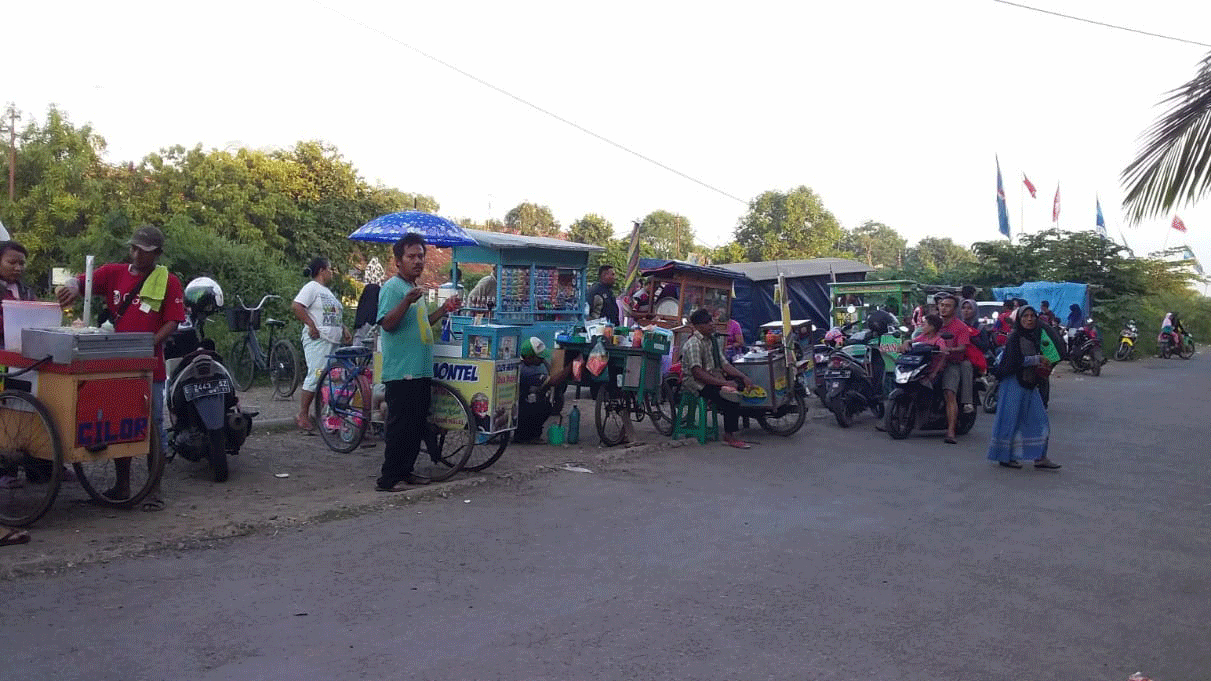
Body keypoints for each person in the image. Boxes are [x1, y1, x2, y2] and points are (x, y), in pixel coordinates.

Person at [56, 226, 186, 511]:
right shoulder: (113, 273)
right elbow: (84, 282)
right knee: (119, 426)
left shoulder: (169, 281)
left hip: (149, 366)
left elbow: (173, 320)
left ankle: (154, 491)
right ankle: (122, 485)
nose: (138, 255)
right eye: (134, 249)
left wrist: (151, 342)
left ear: (157, 254)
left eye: (145, 251)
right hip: (115, 364)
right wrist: (70, 288)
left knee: (153, 427)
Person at [375, 234, 460, 491]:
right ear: (398, 260)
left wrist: (444, 309)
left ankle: (406, 471)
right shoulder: (393, 288)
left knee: (415, 425)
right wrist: (405, 301)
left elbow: (421, 324)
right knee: (400, 426)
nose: (417, 261)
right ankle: (388, 479)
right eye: (411, 256)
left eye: (420, 256)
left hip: (421, 368)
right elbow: (387, 324)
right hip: (402, 371)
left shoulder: (416, 290)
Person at [987, 306, 1062, 470]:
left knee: (1040, 420)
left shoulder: (1033, 336)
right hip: (1013, 383)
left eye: (1032, 316)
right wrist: (1038, 359)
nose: (1029, 319)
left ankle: (1040, 457)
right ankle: (1004, 457)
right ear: (1019, 320)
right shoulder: (1015, 337)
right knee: (1010, 420)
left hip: (1029, 383)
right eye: (1025, 316)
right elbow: (1014, 362)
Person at [680, 308, 756, 449]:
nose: (712, 324)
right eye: (708, 322)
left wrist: (743, 376)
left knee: (739, 385)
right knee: (730, 398)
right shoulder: (694, 344)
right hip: (696, 384)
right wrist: (724, 383)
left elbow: (724, 364)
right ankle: (729, 435)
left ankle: (737, 421)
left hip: (711, 377)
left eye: (711, 321)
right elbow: (698, 374)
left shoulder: (711, 341)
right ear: (698, 326)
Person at [292, 257, 350, 434]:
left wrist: (343, 328)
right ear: (321, 270)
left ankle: (325, 414)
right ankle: (302, 414)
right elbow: (296, 306)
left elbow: (331, 315)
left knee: (331, 378)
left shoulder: (327, 292)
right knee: (316, 374)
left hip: (332, 341)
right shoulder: (311, 288)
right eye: (330, 269)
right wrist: (311, 325)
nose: (331, 272)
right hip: (318, 339)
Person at [936, 294, 974, 443]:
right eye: (942, 305)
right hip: (933, 361)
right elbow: (921, 336)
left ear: (954, 309)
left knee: (949, 393)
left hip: (952, 363)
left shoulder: (961, 327)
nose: (944, 308)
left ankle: (951, 431)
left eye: (948, 305)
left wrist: (948, 350)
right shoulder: (935, 323)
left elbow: (963, 348)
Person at [515, 337, 565, 442]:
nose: (542, 360)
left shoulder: (525, 364)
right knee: (544, 406)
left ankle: (530, 433)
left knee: (542, 400)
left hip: (520, 401)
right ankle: (524, 436)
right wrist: (569, 367)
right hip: (518, 406)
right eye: (539, 358)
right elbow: (553, 381)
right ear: (529, 357)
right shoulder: (525, 371)